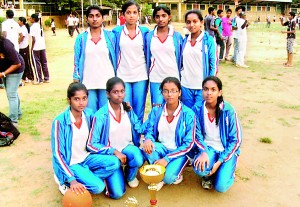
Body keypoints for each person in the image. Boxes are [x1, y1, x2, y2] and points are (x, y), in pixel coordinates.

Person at [51, 82, 125, 199]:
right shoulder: (59, 122)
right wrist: (72, 180)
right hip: (72, 163)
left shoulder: (89, 114)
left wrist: (124, 106)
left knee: (114, 162)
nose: (81, 103)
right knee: (98, 187)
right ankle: (64, 180)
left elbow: (105, 115)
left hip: (88, 157)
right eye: (77, 99)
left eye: (84, 98)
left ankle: (87, 177)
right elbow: (58, 154)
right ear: (69, 100)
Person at [87, 77, 144, 189]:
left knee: (138, 157)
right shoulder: (100, 116)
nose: (119, 95)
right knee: (117, 193)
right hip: (110, 155)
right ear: (108, 94)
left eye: (122, 91)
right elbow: (92, 143)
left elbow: (139, 128)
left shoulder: (127, 109)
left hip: (127, 147)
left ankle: (130, 175)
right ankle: (112, 172)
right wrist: (113, 151)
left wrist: (148, 135)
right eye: (115, 92)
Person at [142, 77, 195, 191]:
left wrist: (167, 158)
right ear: (162, 93)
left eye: (173, 90)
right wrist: (148, 139)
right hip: (161, 148)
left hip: (179, 152)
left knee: (168, 179)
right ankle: (160, 169)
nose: (169, 94)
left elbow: (189, 144)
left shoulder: (188, 114)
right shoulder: (157, 111)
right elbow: (149, 130)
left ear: (179, 92)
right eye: (165, 91)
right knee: (147, 149)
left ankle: (172, 172)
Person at [192, 76, 242, 192]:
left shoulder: (228, 110)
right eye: (205, 89)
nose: (209, 93)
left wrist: (219, 162)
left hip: (226, 150)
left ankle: (228, 170)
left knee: (221, 187)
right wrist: (203, 151)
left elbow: (236, 140)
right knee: (199, 168)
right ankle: (207, 176)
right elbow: (196, 135)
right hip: (208, 148)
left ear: (220, 92)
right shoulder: (197, 109)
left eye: (213, 89)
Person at [73, 5, 117, 113]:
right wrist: (76, 77)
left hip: (107, 82)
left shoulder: (111, 36)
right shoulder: (82, 38)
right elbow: (76, 59)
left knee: (105, 114)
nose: (94, 19)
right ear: (87, 18)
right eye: (91, 16)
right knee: (90, 113)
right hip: (88, 82)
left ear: (102, 18)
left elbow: (116, 56)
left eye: (98, 16)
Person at [112, 1, 149, 122]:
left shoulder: (145, 32)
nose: (131, 15)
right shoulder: (116, 32)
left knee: (139, 110)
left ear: (138, 14)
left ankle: (136, 139)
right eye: (128, 12)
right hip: (123, 76)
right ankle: (127, 138)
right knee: (125, 108)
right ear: (123, 15)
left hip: (141, 76)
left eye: (134, 12)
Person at [146, 5, 183, 107]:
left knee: (173, 109)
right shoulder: (149, 36)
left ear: (169, 17)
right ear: (154, 18)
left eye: (164, 16)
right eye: (157, 16)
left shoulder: (177, 36)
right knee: (157, 109)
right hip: (156, 78)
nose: (160, 19)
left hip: (173, 78)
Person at [181, 10, 216, 109]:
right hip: (186, 86)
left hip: (201, 87)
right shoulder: (185, 41)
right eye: (188, 22)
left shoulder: (208, 40)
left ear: (201, 22)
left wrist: (209, 85)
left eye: (195, 21)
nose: (191, 25)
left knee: (200, 115)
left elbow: (213, 64)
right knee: (187, 115)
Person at [0, 35, 24, 126]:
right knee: (12, 92)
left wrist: (3, 74)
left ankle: (13, 121)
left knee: (11, 94)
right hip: (4, 69)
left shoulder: (6, 45)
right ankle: (18, 113)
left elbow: (17, 63)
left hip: (16, 69)